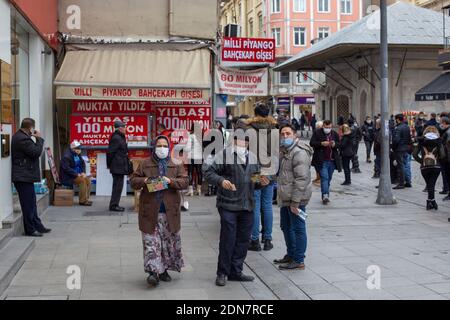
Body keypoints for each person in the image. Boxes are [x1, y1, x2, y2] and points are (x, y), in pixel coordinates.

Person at [204, 134, 269, 287]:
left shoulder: (252, 157)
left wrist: (262, 182)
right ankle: (222, 272)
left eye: (244, 141)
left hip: (247, 205)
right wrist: (221, 181)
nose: (240, 144)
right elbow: (208, 173)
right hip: (228, 204)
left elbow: (255, 180)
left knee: (243, 240)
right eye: (237, 140)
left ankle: (236, 270)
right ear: (233, 141)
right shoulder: (223, 155)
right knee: (228, 239)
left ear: (247, 143)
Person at [130, 135, 189, 287]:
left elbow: (185, 181)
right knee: (151, 242)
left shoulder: (176, 164)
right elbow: (133, 181)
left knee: (166, 243)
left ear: (168, 147)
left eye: (164, 145)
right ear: (154, 147)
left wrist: (171, 181)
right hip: (150, 211)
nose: (161, 148)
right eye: (159, 145)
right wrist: (145, 181)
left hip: (169, 212)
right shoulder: (145, 163)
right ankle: (153, 273)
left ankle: (163, 270)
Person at [274, 124, 312, 270]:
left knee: (298, 228)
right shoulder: (286, 151)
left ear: (295, 135)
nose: (285, 136)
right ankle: (291, 254)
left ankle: (299, 259)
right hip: (286, 196)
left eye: (288, 133)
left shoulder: (299, 153)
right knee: (286, 226)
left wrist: (295, 202)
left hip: (296, 198)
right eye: (282, 134)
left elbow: (302, 178)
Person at [244, 104, 277, 252]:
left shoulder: (249, 130)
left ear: (254, 114)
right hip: (270, 170)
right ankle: (268, 239)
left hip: (254, 172)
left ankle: (255, 240)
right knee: (267, 205)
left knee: (255, 205)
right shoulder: (275, 130)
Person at [11, 118, 51, 237]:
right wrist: (39, 138)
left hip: (25, 175)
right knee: (28, 205)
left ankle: (38, 225)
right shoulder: (22, 138)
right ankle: (30, 229)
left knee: (32, 203)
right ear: (30, 128)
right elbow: (36, 152)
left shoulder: (22, 137)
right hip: (22, 176)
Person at [412, 126, 445, 210]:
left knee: (429, 184)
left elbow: (415, 154)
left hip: (424, 167)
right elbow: (443, 155)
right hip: (436, 166)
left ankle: (430, 202)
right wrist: (438, 160)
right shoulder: (438, 141)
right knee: (432, 184)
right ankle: (431, 201)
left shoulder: (421, 141)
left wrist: (422, 161)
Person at [310, 120, 341, 204]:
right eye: (326, 127)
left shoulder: (334, 134)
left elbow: (339, 144)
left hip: (332, 160)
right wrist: (321, 143)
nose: (327, 129)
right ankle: (325, 195)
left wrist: (334, 144)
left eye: (329, 127)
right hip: (322, 160)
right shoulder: (317, 133)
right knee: (325, 178)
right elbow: (311, 143)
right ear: (323, 126)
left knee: (328, 178)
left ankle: (325, 191)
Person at [107, 120, 131, 212]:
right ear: (120, 128)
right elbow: (110, 153)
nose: (125, 129)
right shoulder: (116, 138)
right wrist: (109, 165)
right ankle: (113, 205)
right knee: (117, 186)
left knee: (118, 186)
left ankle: (115, 204)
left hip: (119, 166)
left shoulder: (120, 137)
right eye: (124, 127)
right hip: (117, 166)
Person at [60, 141, 92, 206]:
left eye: (80, 148)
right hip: (69, 177)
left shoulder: (77, 155)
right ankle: (82, 201)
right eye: (78, 148)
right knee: (82, 181)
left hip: (77, 174)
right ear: (73, 149)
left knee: (88, 180)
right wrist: (76, 174)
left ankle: (86, 199)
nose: (79, 150)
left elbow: (83, 164)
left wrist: (83, 172)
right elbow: (66, 169)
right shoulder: (66, 156)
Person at [391, 114, 412, 189]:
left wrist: (392, 147)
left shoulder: (398, 128)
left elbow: (396, 140)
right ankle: (408, 181)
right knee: (406, 165)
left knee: (400, 166)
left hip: (400, 149)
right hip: (406, 148)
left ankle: (401, 183)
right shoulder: (407, 126)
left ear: (397, 119)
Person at [185, 122, 204, 196]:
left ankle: (190, 190)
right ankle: (199, 189)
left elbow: (187, 148)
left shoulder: (191, 136)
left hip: (191, 157)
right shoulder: (202, 136)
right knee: (199, 172)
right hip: (199, 157)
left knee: (190, 173)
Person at [440, 117, 450, 201]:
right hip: (446, 158)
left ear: (444, 123)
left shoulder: (448, 132)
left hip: (447, 159)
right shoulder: (446, 131)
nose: (440, 125)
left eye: (441, 123)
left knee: (448, 176)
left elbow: (448, 147)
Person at [311, 121, 323, 186]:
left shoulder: (324, 133)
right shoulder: (316, 133)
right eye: (317, 127)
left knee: (320, 166)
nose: (318, 128)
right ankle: (318, 177)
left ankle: (321, 178)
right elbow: (312, 142)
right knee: (316, 165)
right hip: (316, 151)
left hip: (322, 153)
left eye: (319, 127)